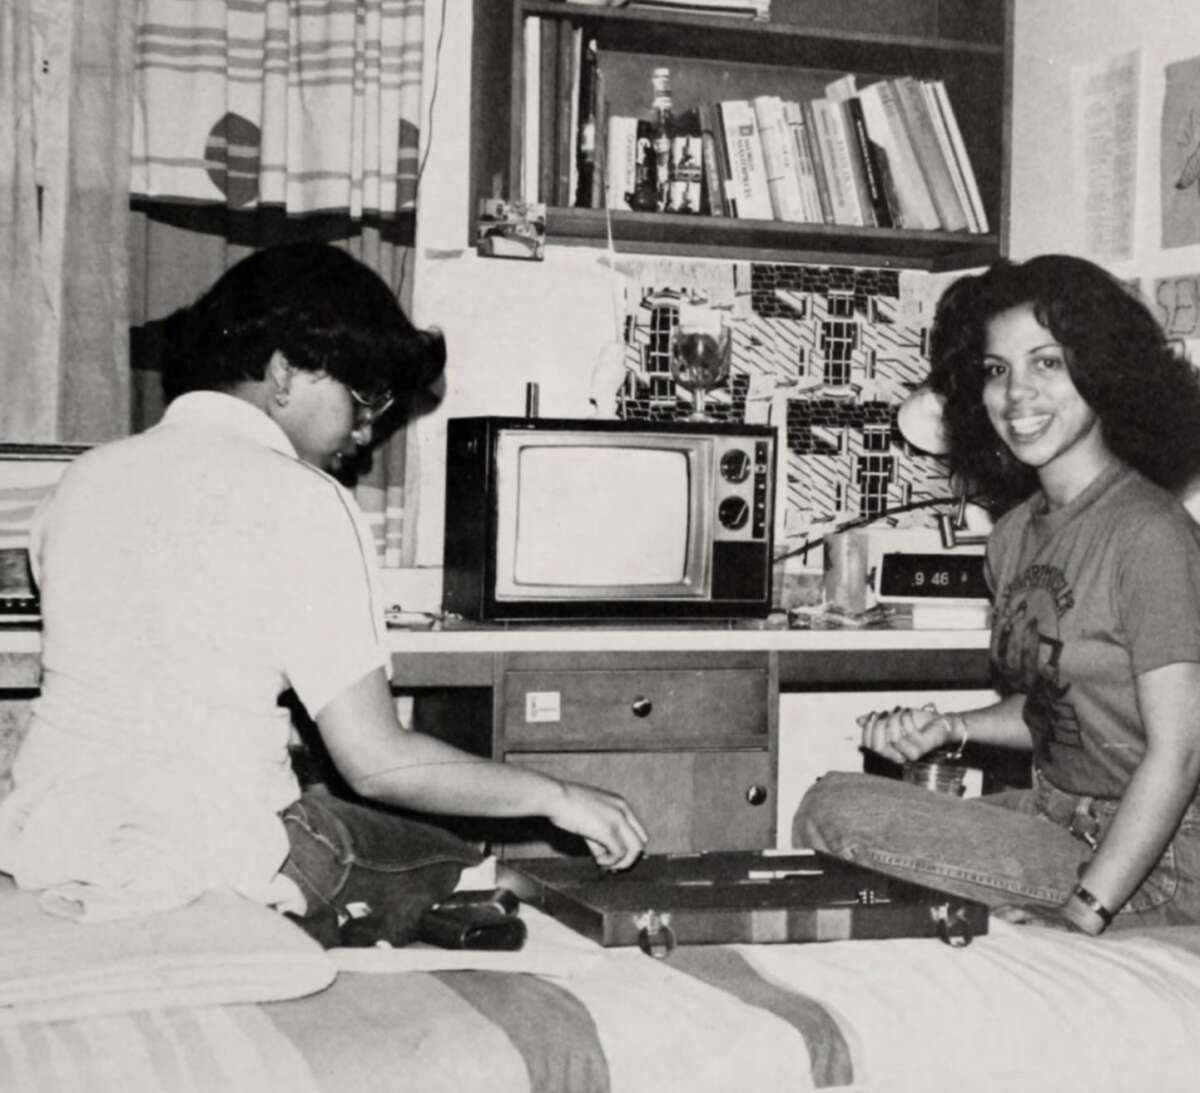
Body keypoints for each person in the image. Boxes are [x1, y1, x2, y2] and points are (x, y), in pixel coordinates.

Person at [0, 242, 647, 942]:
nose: (366, 432)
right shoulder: (305, 498)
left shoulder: (82, 479)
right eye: (363, 398)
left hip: (51, 843)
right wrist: (557, 796)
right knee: (464, 865)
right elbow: (378, 763)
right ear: (285, 372)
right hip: (221, 854)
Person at [795, 254, 1200, 936]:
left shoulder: (1150, 534)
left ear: (1102, 371)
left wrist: (1082, 912)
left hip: (1166, 858)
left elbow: (1182, 750)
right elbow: (1056, 709)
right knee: (831, 802)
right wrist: (950, 727)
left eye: (1048, 363)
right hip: (1057, 813)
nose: (1017, 394)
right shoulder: (1012, 537)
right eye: (996, 369)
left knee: (840, 820)